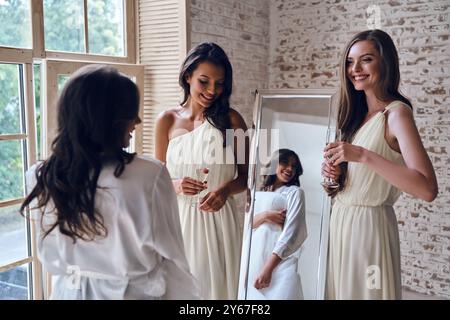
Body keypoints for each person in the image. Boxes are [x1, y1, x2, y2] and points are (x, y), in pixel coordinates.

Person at [20, 65, 199, 300]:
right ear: (108, 119)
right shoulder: (149, 176)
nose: (138, 120)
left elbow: (52, 255)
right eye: (130, 112)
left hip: (68, 293)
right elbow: (174, 262)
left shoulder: (40, 176)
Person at [322, 29, 438, 300]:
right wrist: (338, 175)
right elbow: (361, 178)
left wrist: (362, 155)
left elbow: (427, 189)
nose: (355, 69)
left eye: (366, 59)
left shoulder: (397, 114)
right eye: (350, 62)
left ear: (385, 63)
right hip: (339, 224)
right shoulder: (355, 115)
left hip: (369, 230)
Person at [155, 42, 249, 299]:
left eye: (219, 84)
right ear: (188, 77)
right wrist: (175, 185)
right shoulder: (166, 120)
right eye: (204, 82)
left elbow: (245, 177)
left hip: (219, 220)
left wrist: (226, 189)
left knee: (216, 291)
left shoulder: (232, 120)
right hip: (179, 221)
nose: (212, 91)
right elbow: (157, 179)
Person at [238, 149, 307, 300]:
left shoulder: (294, 192)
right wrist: (265, 216)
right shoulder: (255, 192)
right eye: (285, 163)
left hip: (277, 262)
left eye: (294, 166)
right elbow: (243, 227)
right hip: (252, 257)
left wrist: (268, 269)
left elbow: (292, 233)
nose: (289, 168)